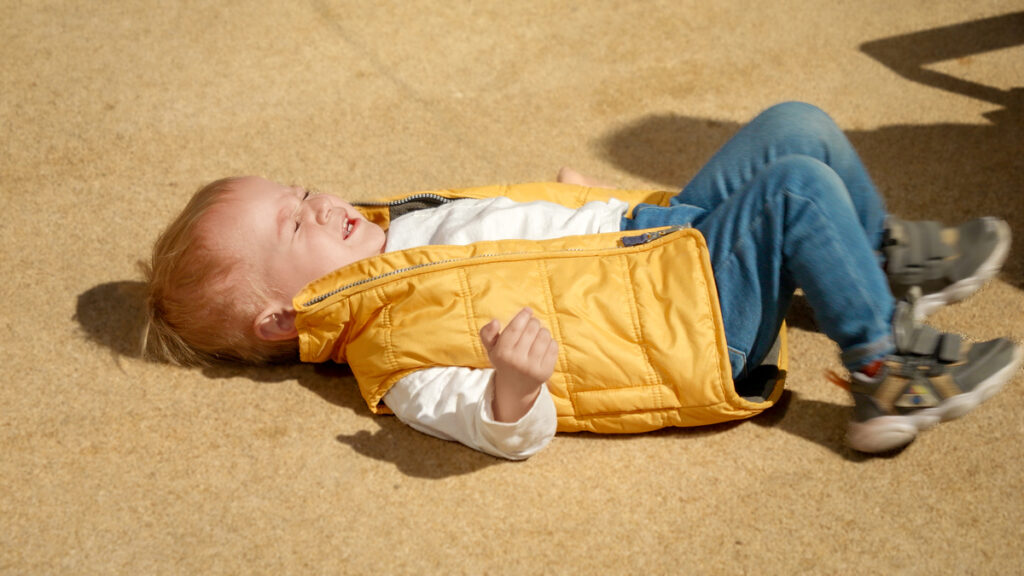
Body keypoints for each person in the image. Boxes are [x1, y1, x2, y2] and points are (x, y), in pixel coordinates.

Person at [142, 102, 1020, 460]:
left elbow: (506, 232)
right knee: (793, 193)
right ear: (277, 319)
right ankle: (883, 379)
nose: (320, 201)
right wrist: (513, 391)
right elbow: (485, 425)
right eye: (294, 224)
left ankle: (878, 259)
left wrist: (584, 208)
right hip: (686, 326)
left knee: (796, 127)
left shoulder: (398, 222)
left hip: (644, 242)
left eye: (299, 190)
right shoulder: (389, 355)